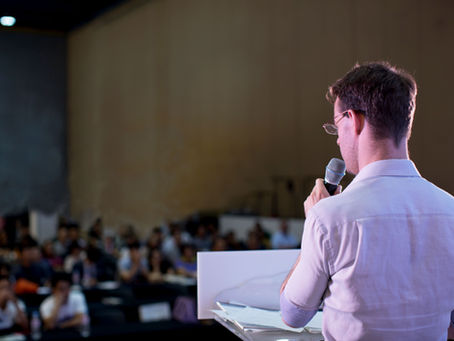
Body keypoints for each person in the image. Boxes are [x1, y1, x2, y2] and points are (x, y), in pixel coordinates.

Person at [280, 62, 454, 340]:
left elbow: (293, 314)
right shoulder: (451, 210)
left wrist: (313, 224)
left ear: (354, 120)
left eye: (336, 125)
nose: (337, 140)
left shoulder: (329, 217)